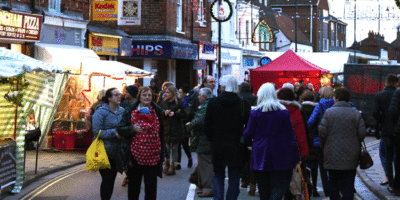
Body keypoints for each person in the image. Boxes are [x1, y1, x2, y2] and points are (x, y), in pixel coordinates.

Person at [243, 83, 301, 200]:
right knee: (279, 185)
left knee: (263, 187)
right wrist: (295, 158)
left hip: (260, 152)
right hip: (281, 151)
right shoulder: (283, 112)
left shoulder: (255, 112)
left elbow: (248, 133)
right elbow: (291, 136)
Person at [204, 75, 250, 200]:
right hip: (237, 145)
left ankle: (218, 198)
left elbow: (207, 124)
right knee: (235, 177)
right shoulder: (243, 104)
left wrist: (211, 139)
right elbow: (248, 127)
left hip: (218, 144)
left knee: (218, 174)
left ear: (223, 86)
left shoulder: (213, 102)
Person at [117, 87, 167, 200]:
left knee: (151, 188)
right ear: (139, 96)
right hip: (134, 156)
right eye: (144, 95)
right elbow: (120, 128)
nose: (147, 97)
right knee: (134, 187)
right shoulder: (130, 110)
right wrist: (132, 128)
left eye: (149, 95)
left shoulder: (158, 111)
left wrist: (164, 152)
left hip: (153, 155)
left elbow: (162, 133)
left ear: (152, 97)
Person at [318, 87, 366, 200]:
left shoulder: (328, 113)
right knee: (349, 183)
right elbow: (362, 133)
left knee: (333, 182)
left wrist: (325, 144)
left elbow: (322, 132)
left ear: (337, 98)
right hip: (351, 155)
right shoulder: (355, 113)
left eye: (334, 97)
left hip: (332, 154)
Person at [92, 88, 125, 200]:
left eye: (119, 94)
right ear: (109, 98)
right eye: (116, 95)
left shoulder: (122, 111)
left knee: (111, 180)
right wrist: (114, 133)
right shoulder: (100, 112)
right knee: (107, 179)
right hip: (103, 152)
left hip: (117, 152)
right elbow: (97, 132)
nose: (119, 96)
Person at [307, 86, 335, 200]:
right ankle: (335, 191)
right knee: (334, 167)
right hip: (334, 141)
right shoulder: (335, 104)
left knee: (323, 168)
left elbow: (310, 122)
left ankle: (327, 193)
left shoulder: (320, 105)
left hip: (320, 141)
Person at [186, 88, 214, 197]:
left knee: (205, 163)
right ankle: (198, 182)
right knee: (204, 162)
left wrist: (190, 125)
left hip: (204, 139)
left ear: (204, 96)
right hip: (208, 138)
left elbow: (199, 121)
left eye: (199, 95)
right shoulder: (210, 104)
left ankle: (208, 187)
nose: (198, 97)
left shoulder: (205, 106)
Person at [373, 74, 399, 189]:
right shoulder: (397, 94)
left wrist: (382, 120)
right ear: (395, 83)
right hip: (398, 129)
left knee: (387, 155)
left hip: (386, 130)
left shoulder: (380, 95)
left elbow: (374, 113)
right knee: (397, 156)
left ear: (387, 82)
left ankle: (391, 181)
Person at [159, 86, 186, 176]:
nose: (167, 94)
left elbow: (183, 114)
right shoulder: (163, 102)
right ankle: (166, 164)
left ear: (173, 93)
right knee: (166, 148)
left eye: (168, 92)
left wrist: (175, 113)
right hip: (166, 127)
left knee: (174, 148)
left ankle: (172, 166)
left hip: (176, 128)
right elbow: (159, 112)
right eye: (166, 92)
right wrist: (164, 113)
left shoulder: (178, 102)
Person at [238, 81, 257, 195]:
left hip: (240, 130)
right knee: (250, 157)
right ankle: (251, 181)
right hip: (252, 129)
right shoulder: (254, 98)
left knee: (242, 157)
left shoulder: (238, 98)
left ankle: (244, 180)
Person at [300, 91, 320, 197]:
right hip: (314, 141)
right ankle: (315, 188)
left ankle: (305, 186)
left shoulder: (299, 109)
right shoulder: (317, 109)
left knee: (303, 166)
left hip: (303, 140)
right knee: (314, 167)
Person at [177, 85, 193, 170]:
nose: (179, 94)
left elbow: (189, 114)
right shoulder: (178, 102)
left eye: (180, 92)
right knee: (178, 144)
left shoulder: (188, 102)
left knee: (185, 144)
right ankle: (178, 163)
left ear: (184, 93)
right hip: (179, 125)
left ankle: (190, 158)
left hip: (185, 125)